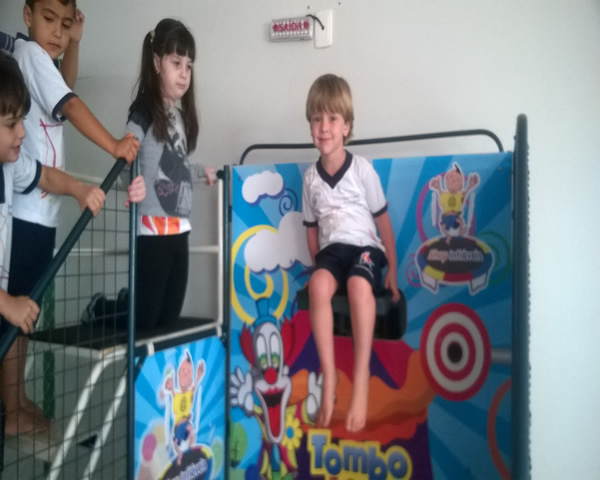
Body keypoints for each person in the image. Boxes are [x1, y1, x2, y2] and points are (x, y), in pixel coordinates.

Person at [0, 51, 108, 435]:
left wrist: (78, 189)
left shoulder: (9, 166)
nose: (23, 133)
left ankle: (14, 405)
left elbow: (44, 175)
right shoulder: (29, 55)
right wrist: (7, 303)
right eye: (12, 124)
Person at [302, 74, 400, 433]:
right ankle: (329, 377)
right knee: (318, 287)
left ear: (346, 127)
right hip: (332, 253)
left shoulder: (362, 169)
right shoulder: (310, 178)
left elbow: (382, 220)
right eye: (317, 119)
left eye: (332, 119)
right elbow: (311, 230)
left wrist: (393, 268)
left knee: (359, 287)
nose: (324, 127)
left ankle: (360, 380)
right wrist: (318, 268)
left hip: (365, 248)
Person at [124, 18, 214, 331]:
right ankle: (104, 307)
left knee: (169, 317)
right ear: (156, 62)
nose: (184, 73)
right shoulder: (144, 111)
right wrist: (130, 182)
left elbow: (176, 164)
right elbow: (125, 156)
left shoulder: (179, 116)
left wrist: (201, 171)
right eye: (176, 63)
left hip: (179, 227)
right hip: (152, 229)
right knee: (145, 318)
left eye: (188, 66)